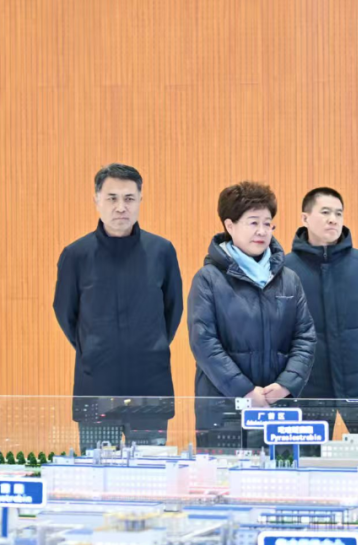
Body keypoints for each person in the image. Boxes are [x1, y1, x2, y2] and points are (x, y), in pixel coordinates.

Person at [53, 163, 183, 450]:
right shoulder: (76, 255)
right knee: (98, 473)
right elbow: (66, 312)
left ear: (140, 200)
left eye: (129, 198)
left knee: (149, 472)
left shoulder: (162, 251)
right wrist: (94, 347)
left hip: (150, 385)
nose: (121, 207)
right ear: (97, 200)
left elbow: (172, 311)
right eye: (112, 198)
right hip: (96, 384)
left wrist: (151, 345)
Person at [188, 181, 316, 447]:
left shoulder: (289, 279)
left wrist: (286, 384)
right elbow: (204, 343)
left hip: (277, 406)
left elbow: (305, 337)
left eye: (267, 223)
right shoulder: (208, 279)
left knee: (279, 473)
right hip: (224, 410)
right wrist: (244, 391)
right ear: (230, 226)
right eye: (253, 222)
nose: (262, 231)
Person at [283, 187, 358, 436]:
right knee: (306, 455)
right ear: (305, 218)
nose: (333, 219)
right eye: (325, 212)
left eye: (338, 213)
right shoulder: (284, 269)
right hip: (307, 386)